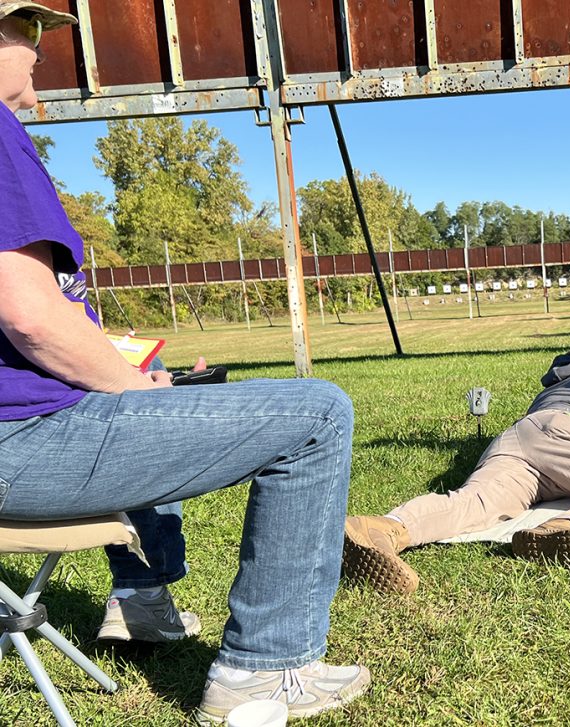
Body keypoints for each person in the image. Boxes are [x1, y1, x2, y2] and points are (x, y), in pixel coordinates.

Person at [0, 4, 368, 722]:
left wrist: (135, 383)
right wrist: (132, 384)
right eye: (25, 34)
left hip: (27, 432)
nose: (39, 54)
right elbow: (29, 314)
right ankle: (268, 667)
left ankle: (144, 599)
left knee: (145, 398)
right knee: (319, 413)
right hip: (21, 444)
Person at [343, 342, 570, 594]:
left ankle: (383, 528)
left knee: (471, 502)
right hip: (567, 433)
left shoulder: (554, 386)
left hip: (516, 439)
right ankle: (564, 528)